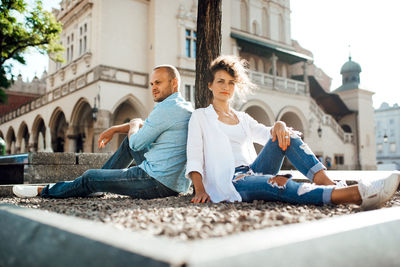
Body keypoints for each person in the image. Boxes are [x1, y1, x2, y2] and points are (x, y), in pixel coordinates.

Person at [186, 55, 399, 210]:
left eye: (231, 82)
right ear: (210, 85)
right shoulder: (201, 117)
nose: (226, 87)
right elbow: (194, 157)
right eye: (220, 81)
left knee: (287, 134)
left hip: (254, 170)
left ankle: (328, 183)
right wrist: (200, 190)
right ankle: (353, 194)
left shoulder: (242, 117)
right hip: (232, 182)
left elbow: (267, 134)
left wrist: (278, 124)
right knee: (277, 184)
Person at [13, 65, 193, 199]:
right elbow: (148, 127)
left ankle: (43, 191)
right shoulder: (182, 106)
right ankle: (97, 187)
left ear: (174, 82)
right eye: (152, 83)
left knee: (91, 176)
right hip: (173, 183)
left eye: (158, 83)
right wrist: (116, 128)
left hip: (156, 183)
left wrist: (134, 124)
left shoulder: (166, 108)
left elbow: (136, 142)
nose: (153, 87)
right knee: (127, 147)